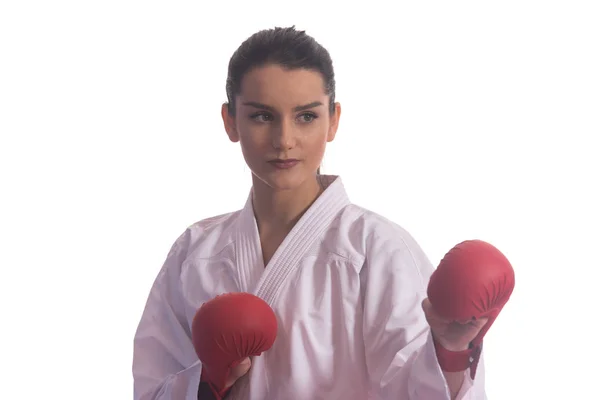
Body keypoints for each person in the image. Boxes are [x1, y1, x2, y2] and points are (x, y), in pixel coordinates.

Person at [132, 26, 489, 400]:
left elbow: (415, 390)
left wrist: (448, 351)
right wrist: (207, 382)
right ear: (230, 121)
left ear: (333, 120)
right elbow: (150, 387)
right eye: (262, 116)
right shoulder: (195, 252)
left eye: (305, 116)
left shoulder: (376, 250)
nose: (284, 140)